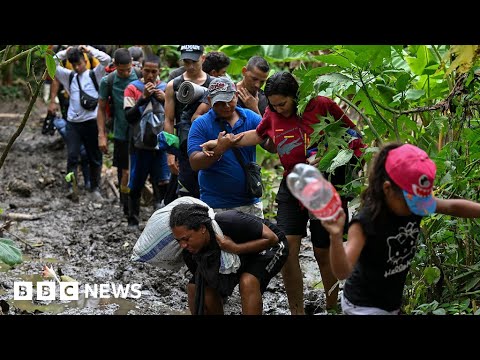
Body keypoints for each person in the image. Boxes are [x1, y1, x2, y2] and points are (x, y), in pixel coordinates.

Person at [200, 71, 365, 314]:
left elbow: (354, 138)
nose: (279, 110)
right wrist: (225, 143)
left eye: (283, 104)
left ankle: (332, 308)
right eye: (274, 105)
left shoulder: (319, 105)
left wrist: (332, 158)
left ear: (295, 97)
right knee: (288, 247)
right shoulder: (272, 112)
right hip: (293, 182)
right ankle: (296, 310)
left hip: (325, 183)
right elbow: (259, 134)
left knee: (322, 250)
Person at [320, 143, 480, 315]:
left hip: (390, 302)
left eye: (421, 202)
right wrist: (335, 237)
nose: (417, 208)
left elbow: (451, 207)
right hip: (363, 305)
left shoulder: (415, 204)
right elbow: (343, 271)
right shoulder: (366, 222)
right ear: (388, 189)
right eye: (412, 202)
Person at [169, 202, 289, 315]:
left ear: (202, 228)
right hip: (238, 255)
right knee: (196, 288)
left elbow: (272, 239)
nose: (183, 245)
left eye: (186, 239)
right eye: (178, 240)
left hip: (269, 246)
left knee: (247, 281)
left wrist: (236, 248)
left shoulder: (229, 220)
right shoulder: (190, 252)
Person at [188, 77, 264, 217]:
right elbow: (194, 162)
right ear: (210, 101)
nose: (227, 106)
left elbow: (270, 144)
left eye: (229, 100)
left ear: (235, 95)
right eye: (220, 103)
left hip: (250, 202)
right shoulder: (201, 124)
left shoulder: (251, 118)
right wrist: (219, 150)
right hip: (216, 205)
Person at [52, 45, 110, 200]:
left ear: (85, 61)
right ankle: (71, 186)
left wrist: (89, 49)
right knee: (72, 156)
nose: (78, 67)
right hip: (73, 124)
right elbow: (51, 62)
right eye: (75, 65)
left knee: (94, 156)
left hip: (92, 122)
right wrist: (67, 52)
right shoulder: (68, 76)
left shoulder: (95, 74)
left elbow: (107, 60)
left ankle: (95, 188)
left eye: (80, 64)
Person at [124, 54, 170, 228]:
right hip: (138, 145)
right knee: (136, 182)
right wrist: (143, 98)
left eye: (154, 71)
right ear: (141, 69)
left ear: (159, 71)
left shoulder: (167, 88)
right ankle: (132, 220)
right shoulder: (132, 88)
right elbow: (129, 117)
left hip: (161, 145)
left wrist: (165, 99)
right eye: (147, 71)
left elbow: (174, 114)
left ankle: (160, 223)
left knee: (163, 181)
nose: (150, 75)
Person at [164, 45, 213, 201]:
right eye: (186, 62)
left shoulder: (214, 84)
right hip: (185, 148)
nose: (190, 66)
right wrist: (171, 153)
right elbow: (169, 119)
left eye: (194, 61)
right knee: (186, 195)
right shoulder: (174, 85)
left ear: (203, 59)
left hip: (210, 147)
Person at [97, 48, 142, 214]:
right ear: (115, 65)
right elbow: (101, 109)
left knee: (140, 168)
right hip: (121, 132)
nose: (125, 73)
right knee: (124, 170)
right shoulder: (108, 81)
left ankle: (134, 200)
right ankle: (125, 204)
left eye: (128, 69)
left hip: (141, 132)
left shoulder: (139, 75)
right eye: (121, 70)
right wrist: (101, 135)